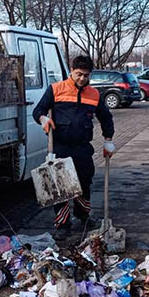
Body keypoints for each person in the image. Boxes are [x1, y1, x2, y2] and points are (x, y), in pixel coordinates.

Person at [32, 55, 115, 237]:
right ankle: (62, 224)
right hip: (60, 146)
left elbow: (105, 117)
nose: (82, 79)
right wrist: (43, 118)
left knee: (84, 183)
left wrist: (108, 140)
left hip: (82, 147)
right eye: (78, 74)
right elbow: (38, 110)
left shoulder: (93, 94)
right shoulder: (56, 89)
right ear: (71, 71)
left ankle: (83, 216)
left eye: (86, 75)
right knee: (61, 186)